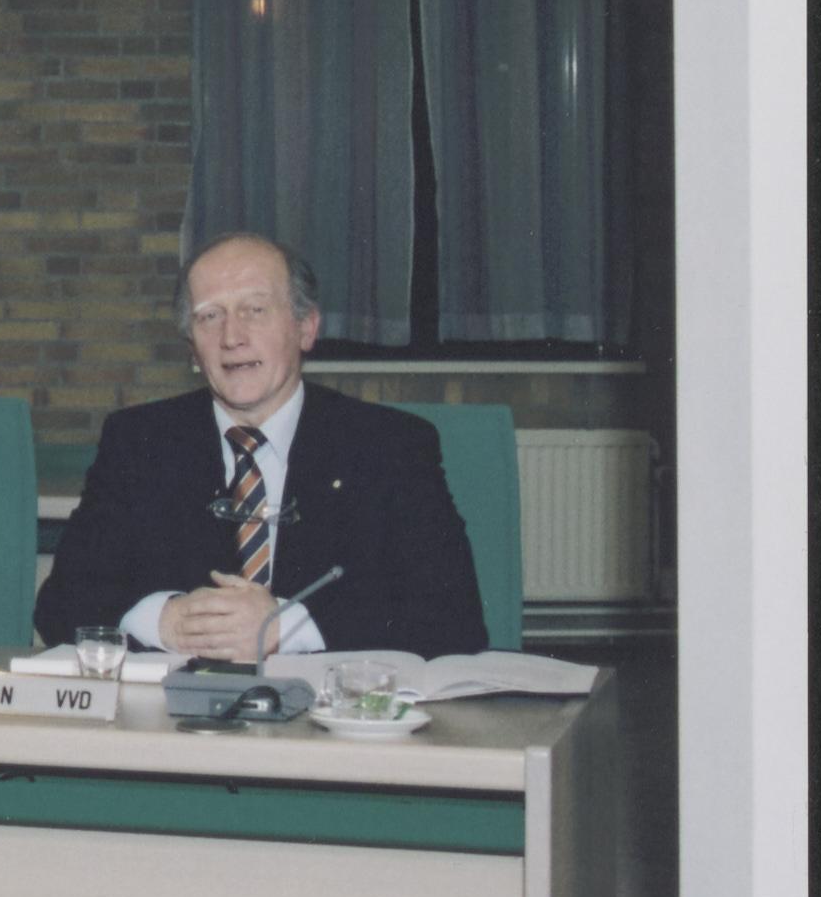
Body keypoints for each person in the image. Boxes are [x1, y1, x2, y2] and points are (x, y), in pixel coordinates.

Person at [35, 233, 488, 658]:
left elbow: (455, 622)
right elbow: (60, 605)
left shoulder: (389, 446)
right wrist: (165, 621)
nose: (232, 337)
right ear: (192, 348)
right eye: (210, 316)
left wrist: (285, 627)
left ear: (306, 328)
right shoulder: (139, 442)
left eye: (254, 310)